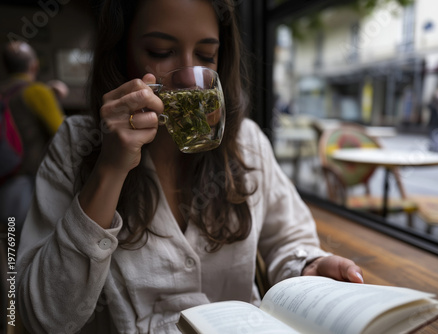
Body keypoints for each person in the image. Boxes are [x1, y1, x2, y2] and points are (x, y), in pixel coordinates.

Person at [16, 1, 363, 333]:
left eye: (206, 56)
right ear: (121, 55)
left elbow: (288, 239)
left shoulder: (248, 143)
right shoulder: (77, 146)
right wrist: (110, 169)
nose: (188, 77)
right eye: (160, 52)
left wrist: (308, 266)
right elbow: (43, 317)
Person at [0, 41, 65, 230]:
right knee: (32, 243)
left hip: (5, 175)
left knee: (10, 240)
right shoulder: (37, 91)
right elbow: (62, 133)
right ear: (34, 65)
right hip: (31, 180)